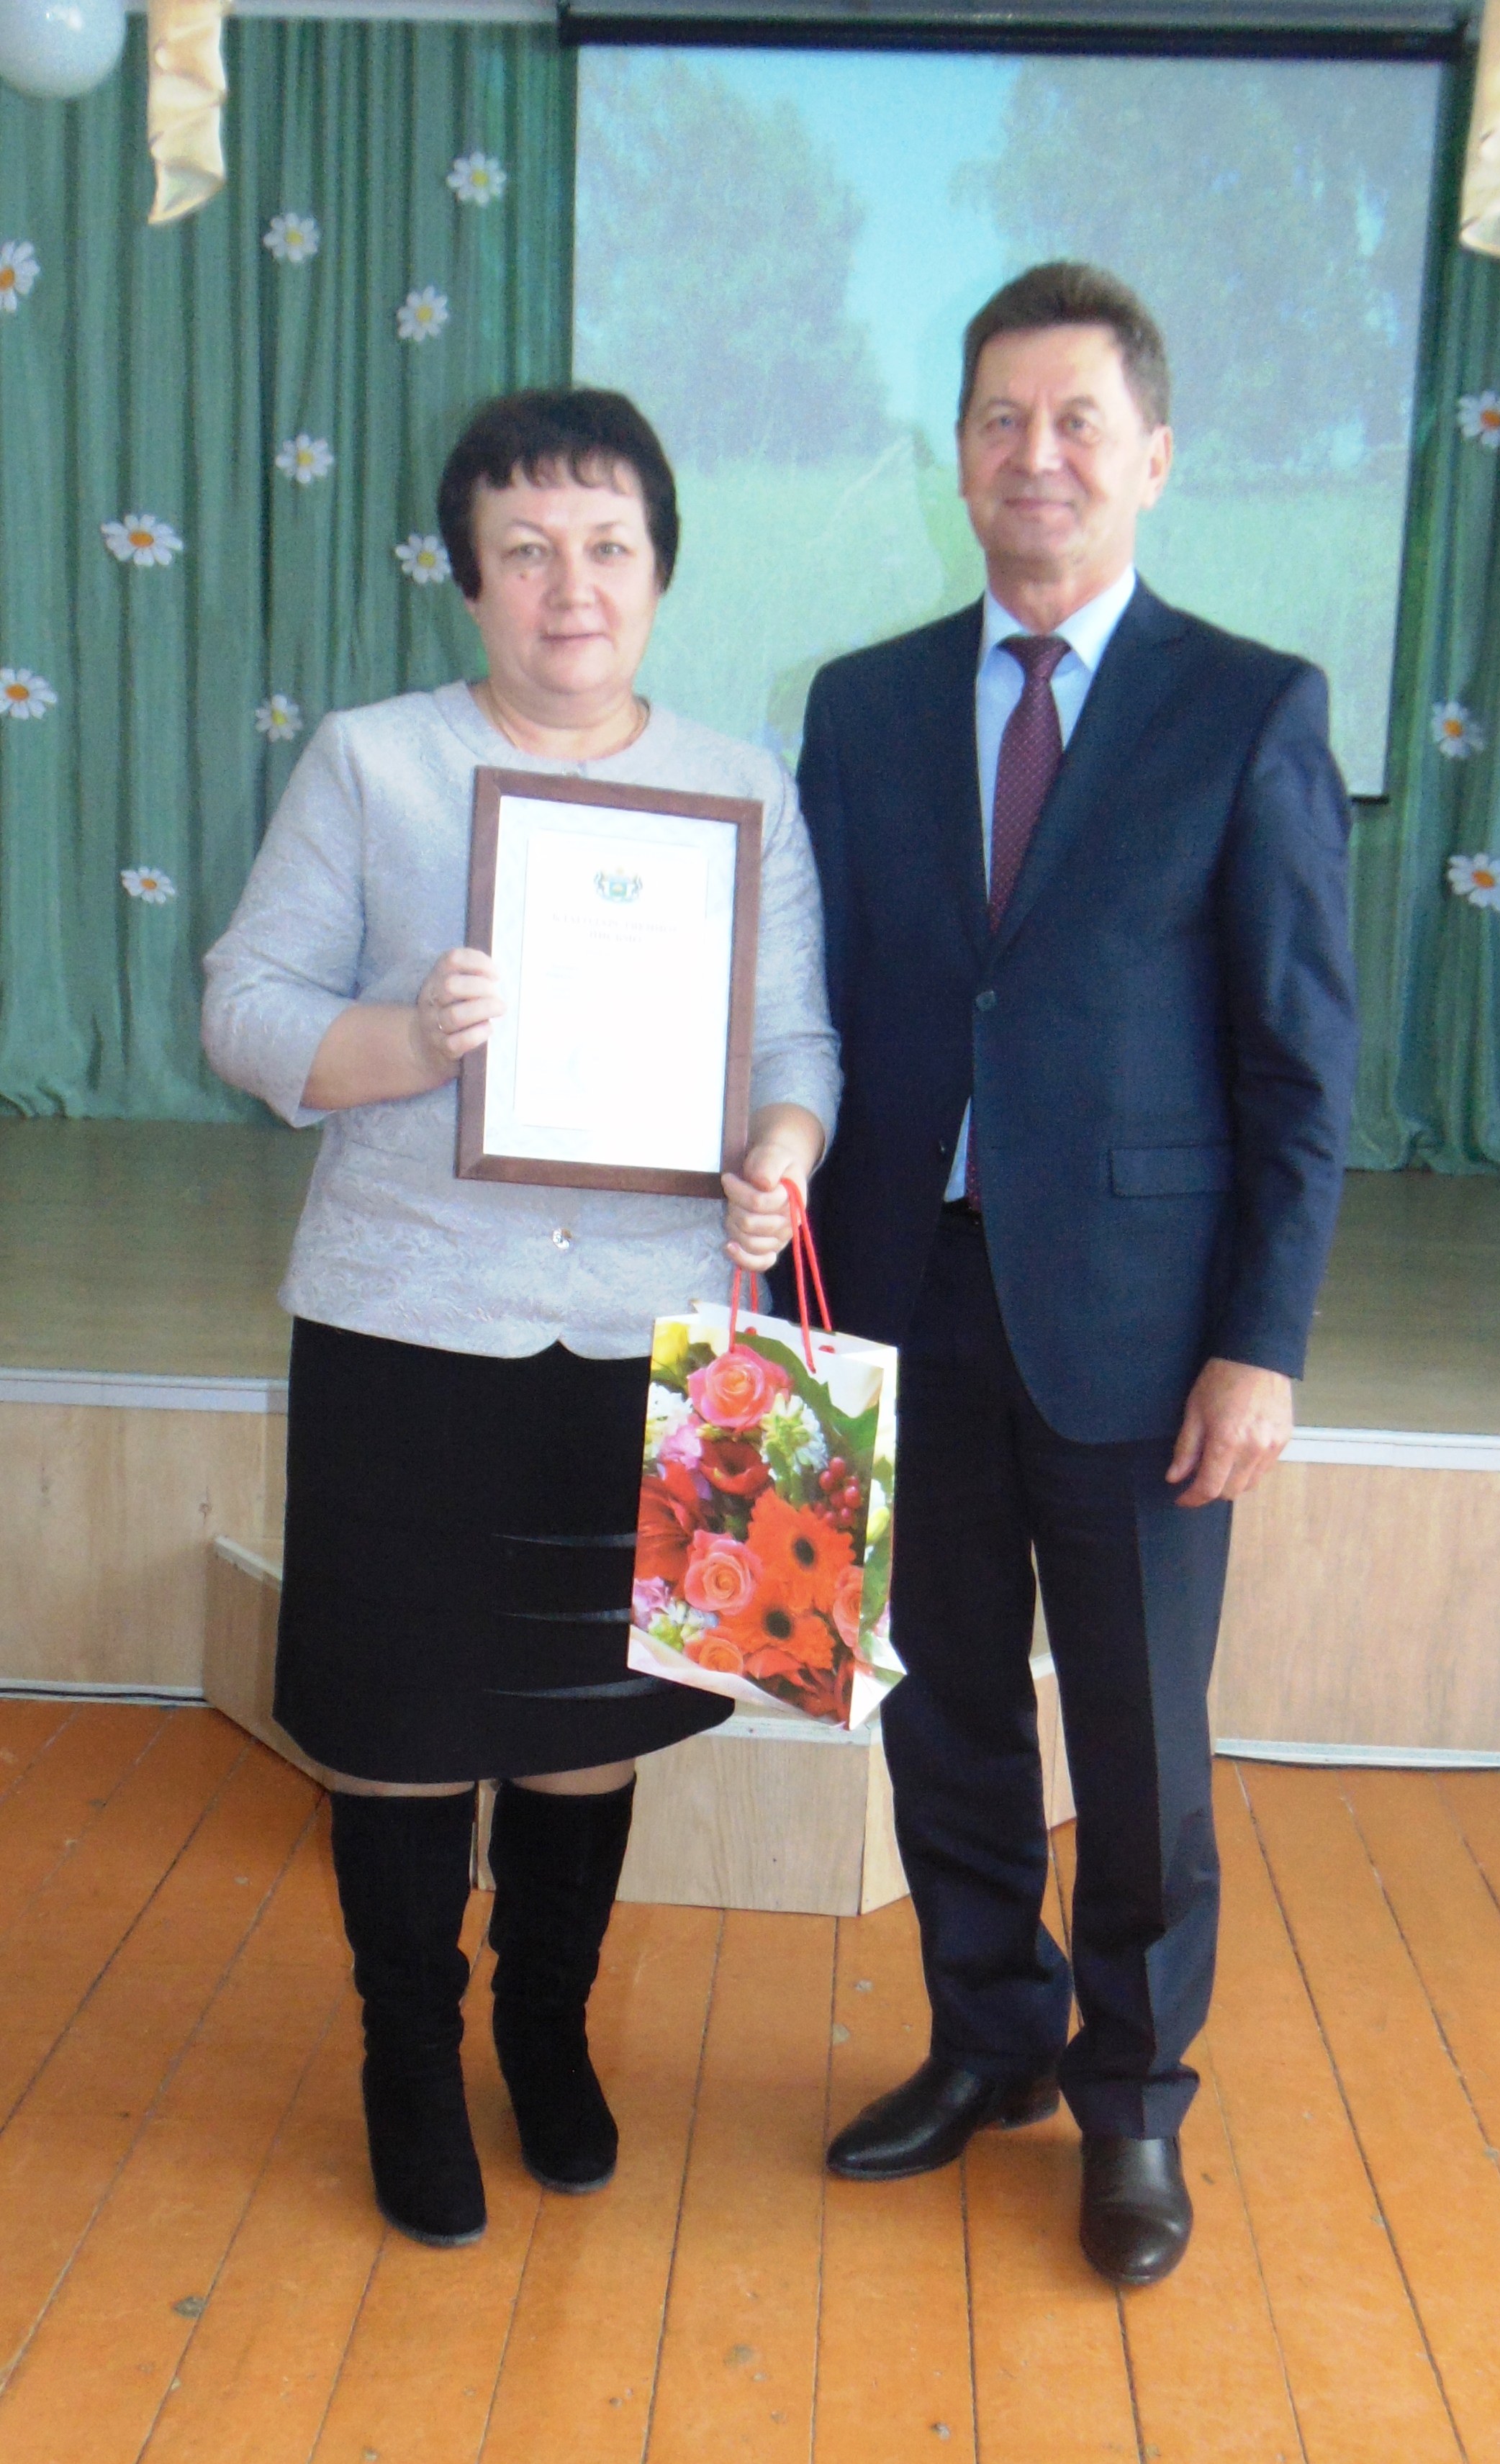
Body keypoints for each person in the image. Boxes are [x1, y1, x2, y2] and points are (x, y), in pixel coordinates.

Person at [203, 387, 838, 2249]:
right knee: (400, 1723)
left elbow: (793, 1037)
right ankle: (411, 2057)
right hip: (411, 1323)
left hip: (650, 1333)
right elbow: (244, 1006)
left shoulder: (738, 787)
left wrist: (779, 1153)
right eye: (527, 549)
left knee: (585, 1720)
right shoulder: (375, 764)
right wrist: (411, 1038)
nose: (573, 586)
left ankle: (547, 2033)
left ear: (661, 570)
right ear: (469, 577)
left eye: (608, 546)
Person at [798, 263, 1356, 2286]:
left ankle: (1133, 2104)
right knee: (938, 1707)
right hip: (899, 1293)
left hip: (1138, 1325)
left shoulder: (1249, 706)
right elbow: (809, 1002)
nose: (1035, 457)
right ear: (956, 454)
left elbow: (1300, 1061)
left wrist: (1258, 1345)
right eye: (998, 421)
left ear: (1153, 458)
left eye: (1076, 423)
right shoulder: (860, 705)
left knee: (1137, 1745)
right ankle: (988, 2040)